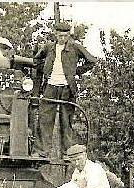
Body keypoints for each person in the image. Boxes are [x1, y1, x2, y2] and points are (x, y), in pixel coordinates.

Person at [32, 22, 97, 157]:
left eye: (65, 36)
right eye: (60, 35)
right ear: (55, 34)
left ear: (69, 35)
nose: (63, 38)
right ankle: (42, 151)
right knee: (45, 119)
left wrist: (76, 72)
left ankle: (67, 152)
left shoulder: (75, 47)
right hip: (50, 87)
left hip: (67, 89)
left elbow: (91, 61)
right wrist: (45, 69)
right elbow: (36, 60)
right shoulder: (49, 47)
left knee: (66, 121)